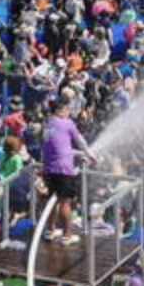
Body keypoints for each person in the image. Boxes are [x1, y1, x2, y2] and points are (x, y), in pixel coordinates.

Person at [41, 99, 95, 245]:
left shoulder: (47, 124)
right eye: (67, 110)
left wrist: (80, 154)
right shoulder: (67, 123)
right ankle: (66, 235)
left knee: (52, 201)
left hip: (48, 168)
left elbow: (60, 148)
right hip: (63, 168)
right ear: (60, 111)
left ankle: (50, 231)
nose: (69, 112)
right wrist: (91, 155)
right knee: (65, 202)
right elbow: (80, 141)